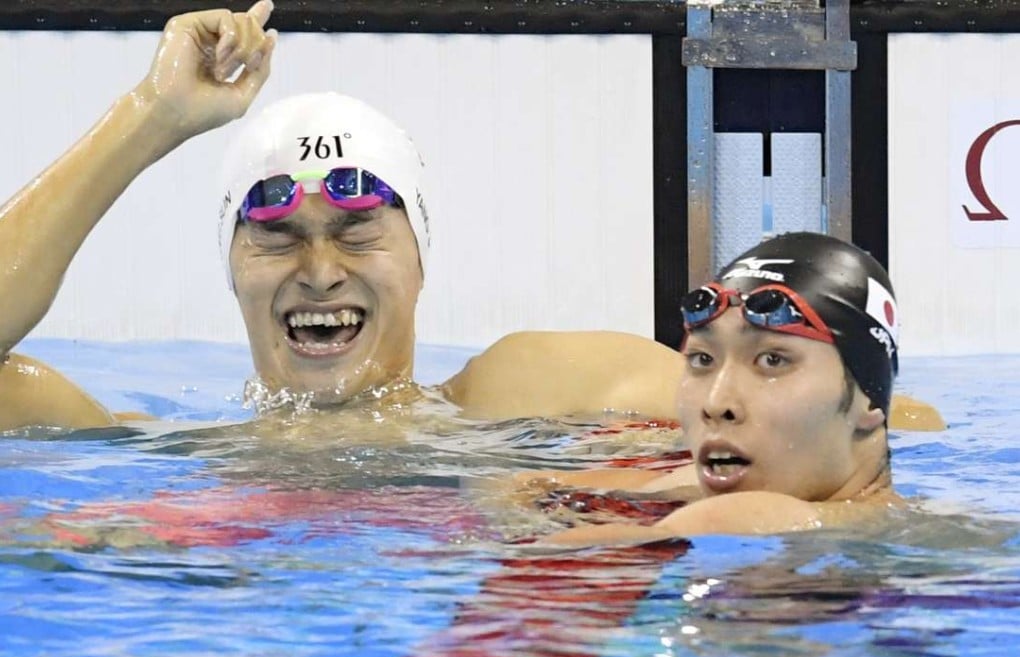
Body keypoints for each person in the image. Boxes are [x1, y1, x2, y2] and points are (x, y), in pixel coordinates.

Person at [0, 2, 941, 435]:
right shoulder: (143, 447)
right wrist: (149, 120)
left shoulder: (522, 391)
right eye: (276, 233)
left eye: (360, 227)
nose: (319, 267)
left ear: (419, 256)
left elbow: (891, 423)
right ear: (231, 263)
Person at [519, 232, 921, 545]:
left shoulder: (761, 517)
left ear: (869, 399)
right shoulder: (689, 489)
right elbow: (518, 489)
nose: (716, 403)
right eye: (702, 360)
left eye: (773, 360)